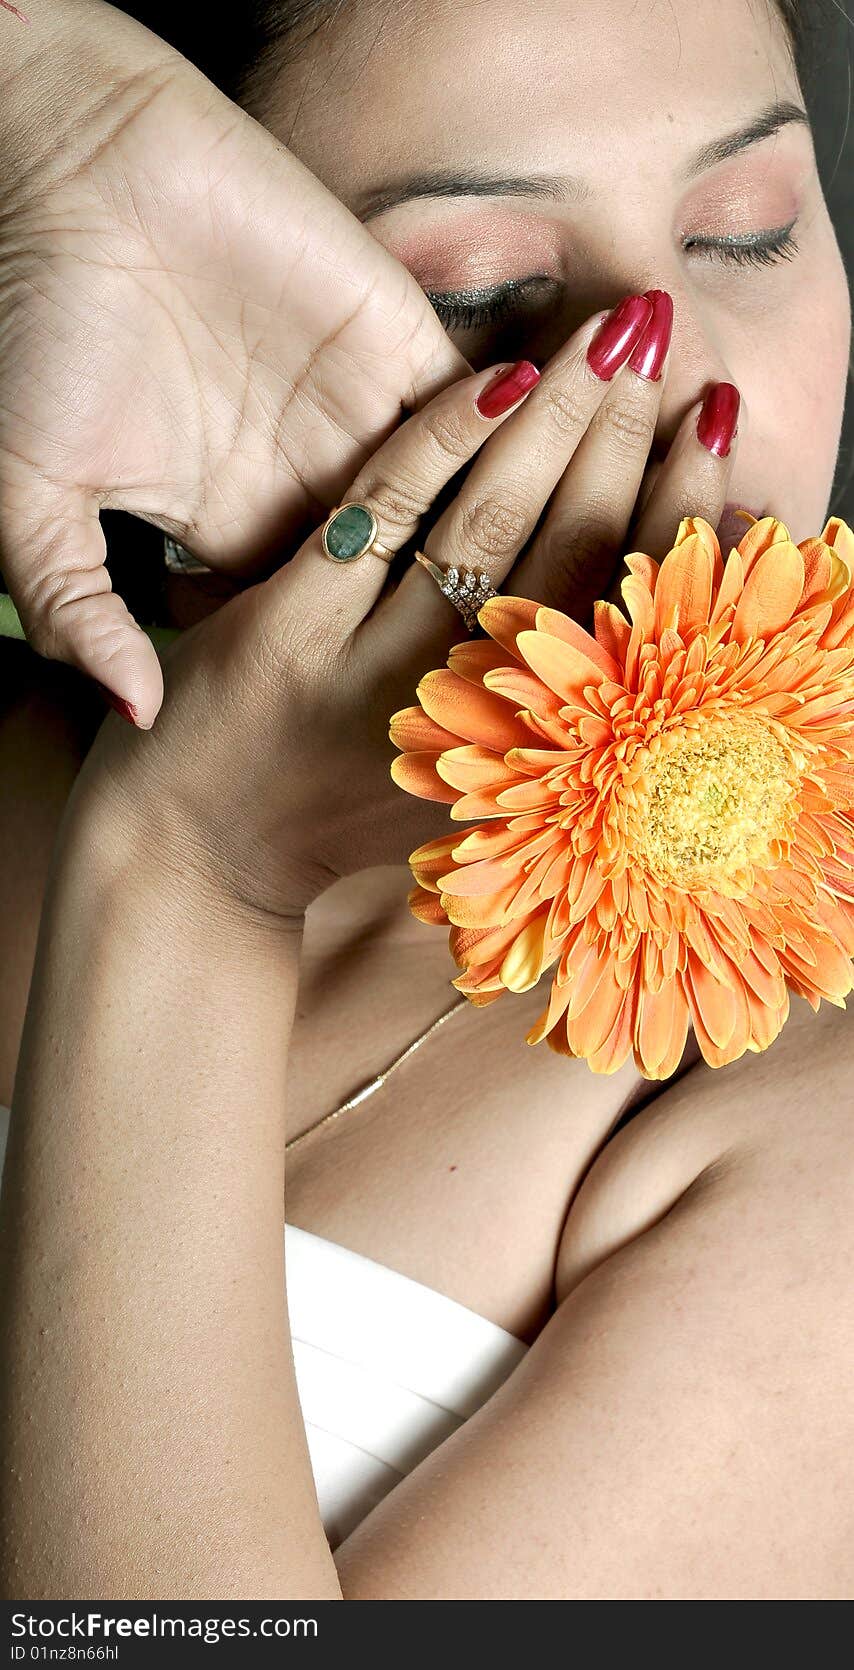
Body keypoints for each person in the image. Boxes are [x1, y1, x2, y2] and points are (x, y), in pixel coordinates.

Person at [0, 0, 852, 1601]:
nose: (674, 381)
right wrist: (39, 92)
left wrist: (191, 874)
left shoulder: (799, 1123)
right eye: (481, 292)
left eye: (747, 235)